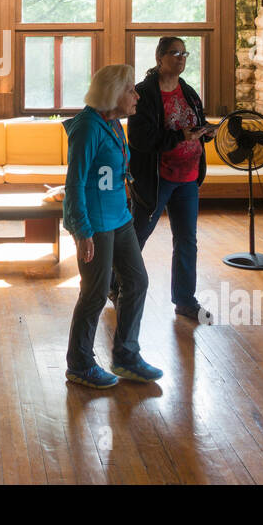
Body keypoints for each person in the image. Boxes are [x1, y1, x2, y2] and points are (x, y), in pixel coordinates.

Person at [62, 64, 163, 388]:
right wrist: (82, 231)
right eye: (131, 90)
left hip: (120, 220)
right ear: (113, 94)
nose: (137, 96)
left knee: (137, 282)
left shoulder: (116, 124)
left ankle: (126, 356)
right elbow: (74, 184)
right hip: (96, 225)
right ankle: (79, 364)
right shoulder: (87, 128)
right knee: (94, 294)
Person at [125, 36, 216, 323]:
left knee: (187, 240)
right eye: (175, 53)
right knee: (138, 235)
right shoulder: (144, 93)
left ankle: (185, 300)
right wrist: (181, 136)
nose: (181, 58)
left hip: (188, 178)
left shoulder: (187, 92)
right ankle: (117, 287)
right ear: (159, 57)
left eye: (184, 53)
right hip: (156, 179)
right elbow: (139, 139)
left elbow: (194, 125)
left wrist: (205, 133)